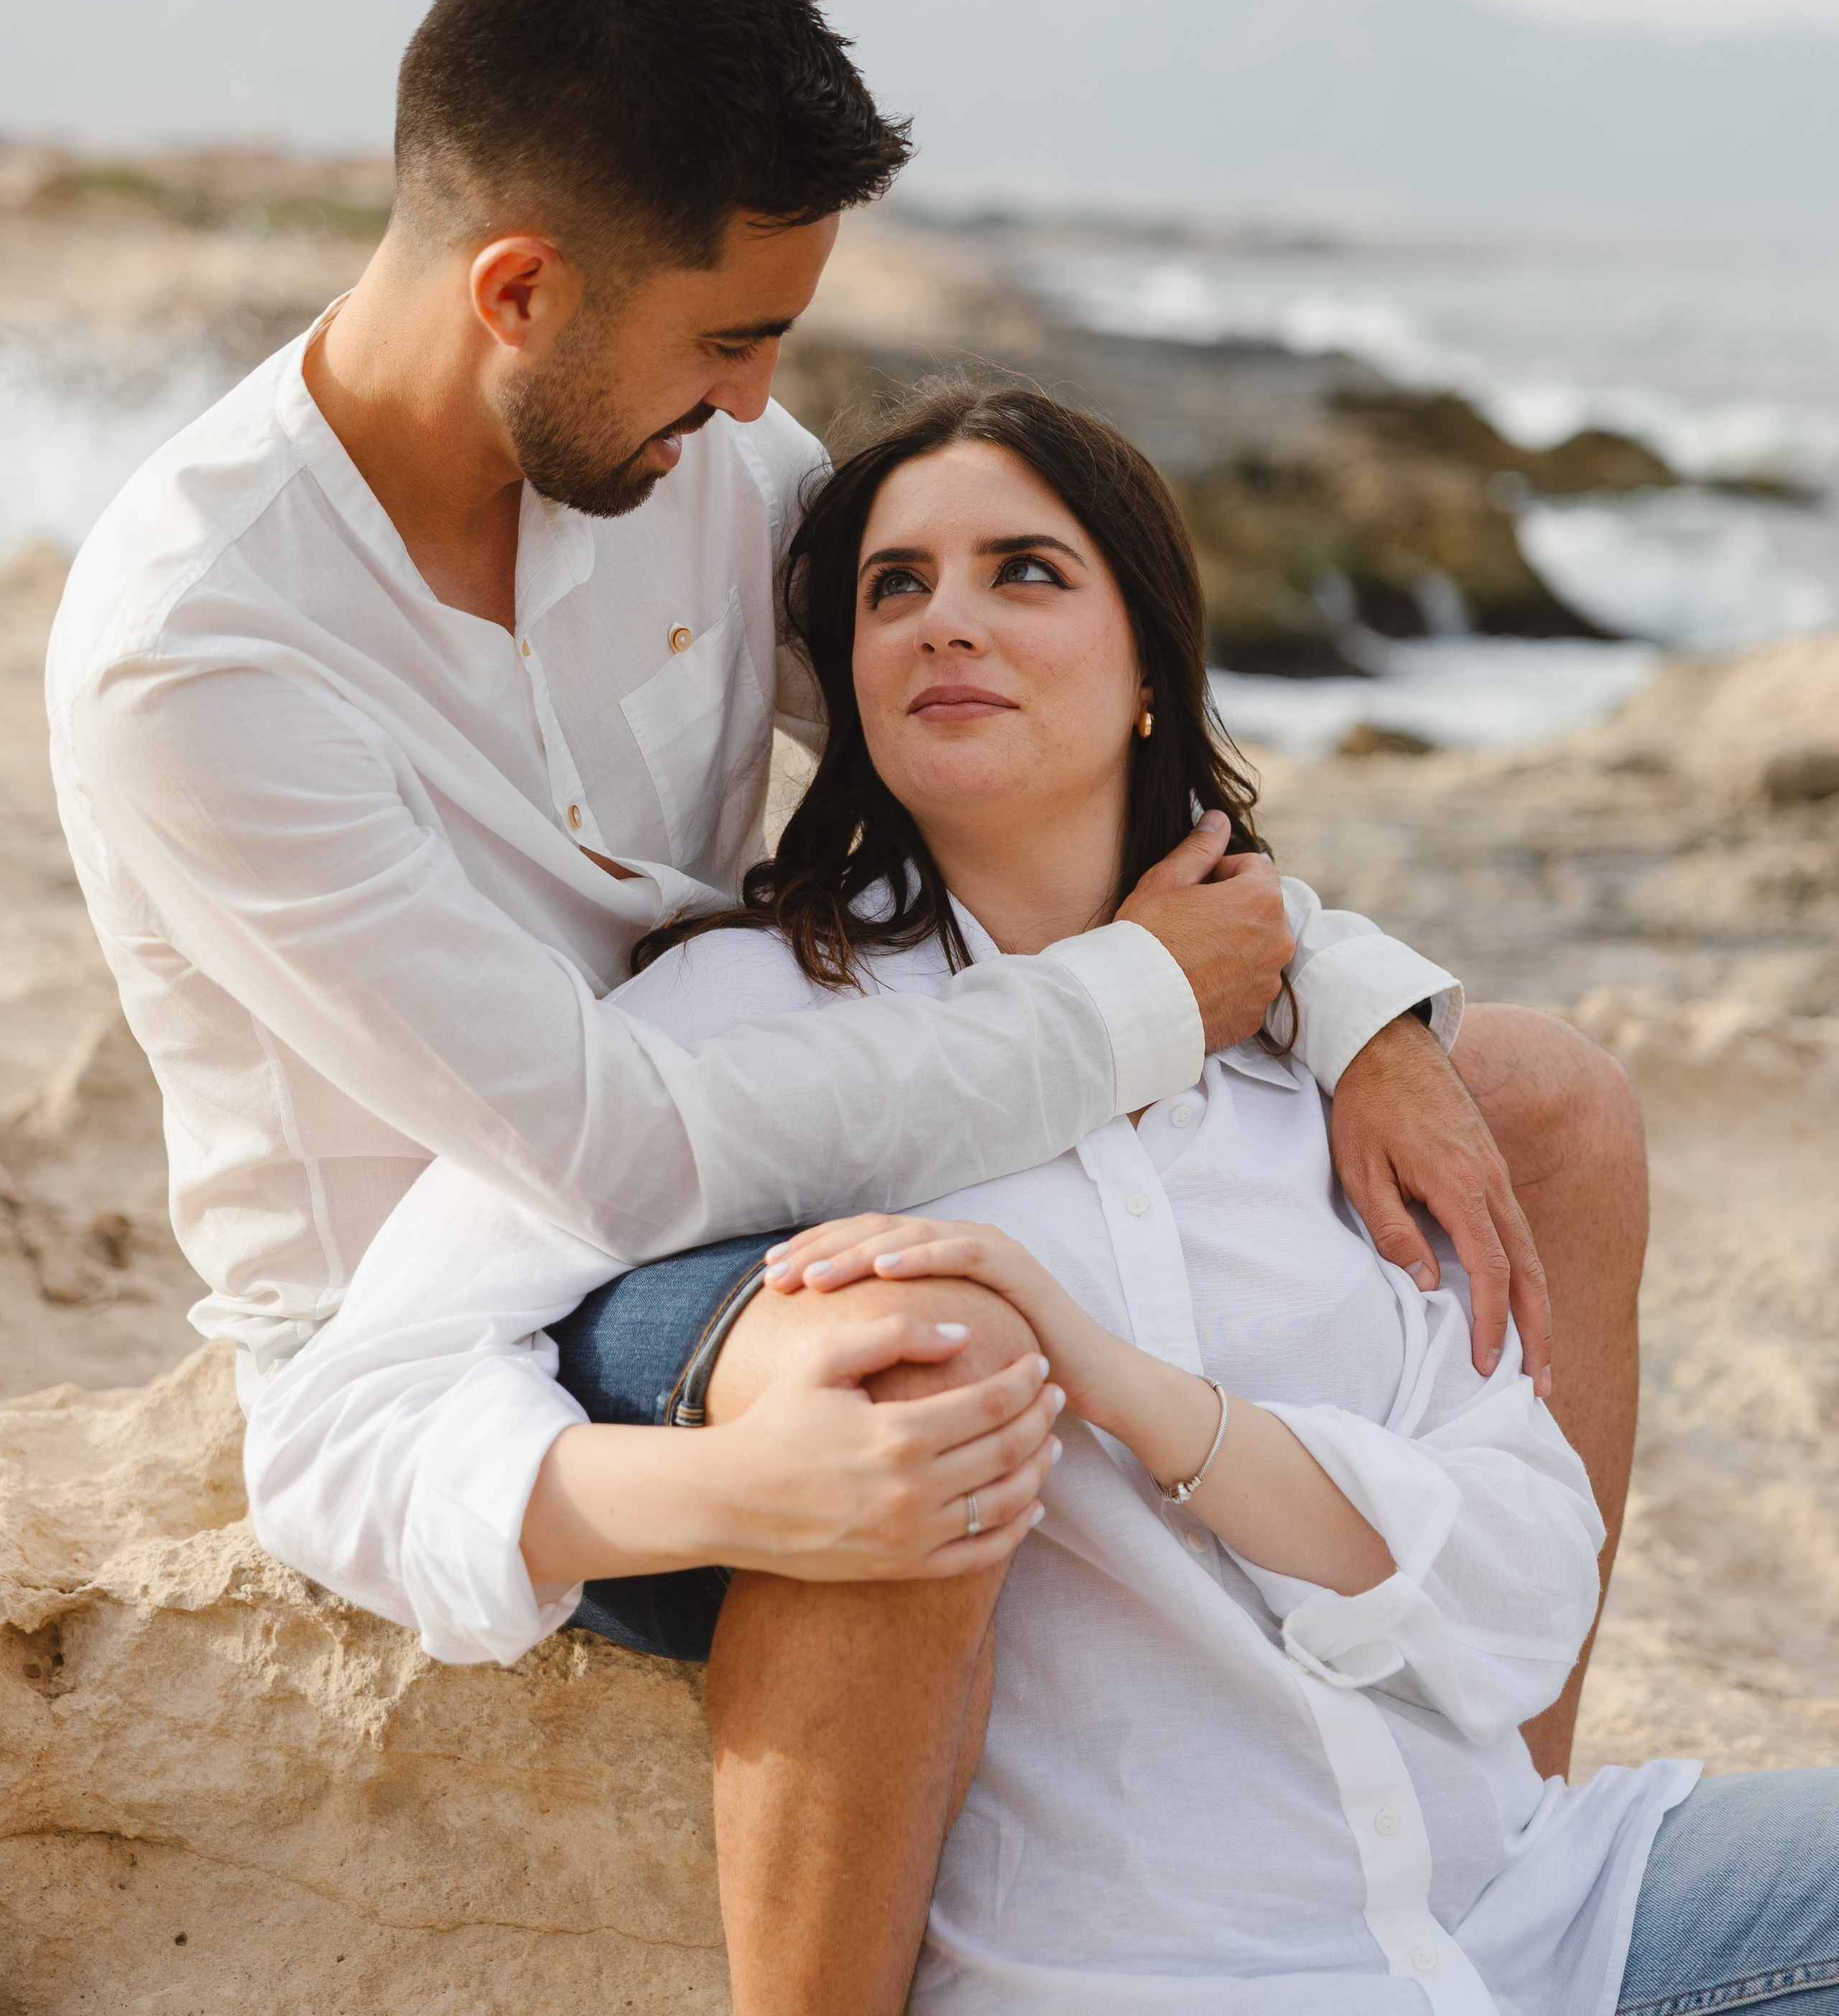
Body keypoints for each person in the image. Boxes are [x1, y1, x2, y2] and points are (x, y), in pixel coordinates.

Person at [49, 0, 1639, 2015]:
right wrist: (1125, 1011)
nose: (765, 402)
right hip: (485, 1308)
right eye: (732, 340)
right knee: (905, 1352)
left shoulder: (690, 457)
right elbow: (611, 1155)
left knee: (1544, 1108)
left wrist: (1354, 1006)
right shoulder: (201, 657)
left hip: (797, 1118)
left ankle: (1506, 1839)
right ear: (518, 291)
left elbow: (1030, 734)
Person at [246, 384, 1835, 2016]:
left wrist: (1141, 1396)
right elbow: (343, 1421)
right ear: (850, 683)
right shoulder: (741, 1021)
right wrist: (732, 1490)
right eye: (895, 587)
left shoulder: (1305, 1042)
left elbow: (1524, 1571)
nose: (946, 620)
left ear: (1150, 673)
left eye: (1023, 571)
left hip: (1536, 1920)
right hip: (1154, 1980)